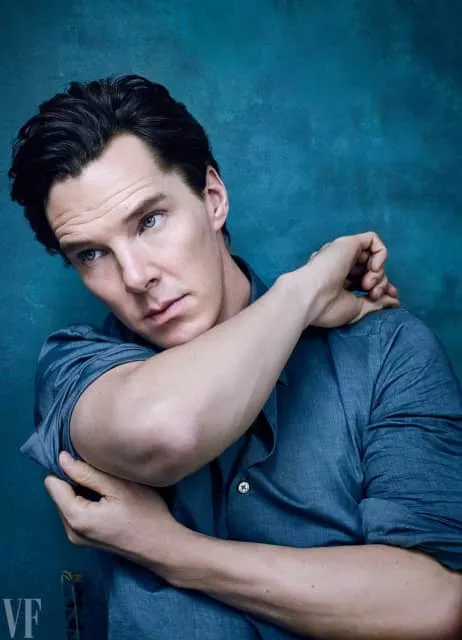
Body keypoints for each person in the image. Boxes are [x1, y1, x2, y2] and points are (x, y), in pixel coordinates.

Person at [9, 75, 462, 640]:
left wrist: (170, 550)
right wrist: (302, 293)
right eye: (92, 254)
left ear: (213, 199)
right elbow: (169, 430)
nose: (135, 276)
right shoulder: (76, 367)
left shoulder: (386, 351)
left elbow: (436, 607)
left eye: (149, 221)